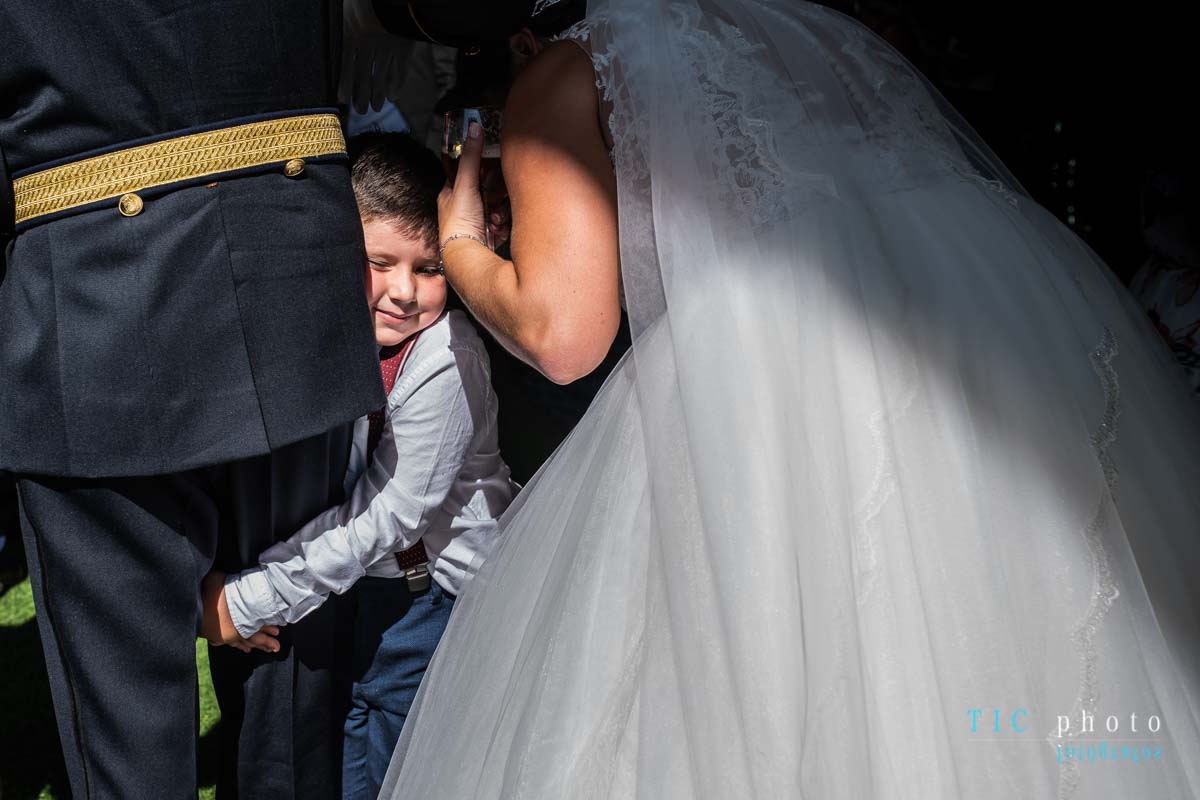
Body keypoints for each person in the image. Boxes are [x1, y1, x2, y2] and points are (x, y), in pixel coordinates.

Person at [380, 1, 1200, 798]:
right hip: (977, 366)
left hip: (764, 407)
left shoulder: (574, 71)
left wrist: (457, 242)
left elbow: (564, 334)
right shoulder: (829, 34)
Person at [0, 2, 531, 797]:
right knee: (291, 716)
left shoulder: (439, 361)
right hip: (289, 276)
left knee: (133, 714)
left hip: (90, 295)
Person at [202, 133, 515, 800]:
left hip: (429, 604)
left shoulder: (445, 356)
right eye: (381, 261)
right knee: (343, 772)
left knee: (406, 775)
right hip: (355, 597)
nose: (404, 292)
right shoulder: (331, 329)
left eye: (429, 268)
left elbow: (388, 516)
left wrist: (245, 598)